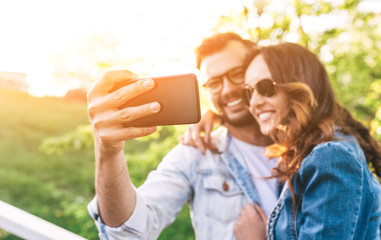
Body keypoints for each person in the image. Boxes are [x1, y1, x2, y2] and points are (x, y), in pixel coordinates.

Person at [86, 32, 280, 240]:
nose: (228, 89)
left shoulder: (308, 144)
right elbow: (128, 233)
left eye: (238, 74)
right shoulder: (197, 153)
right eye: (214, 82)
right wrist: (108, 152)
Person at [232, 42, 381, 239]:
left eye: (266, 87)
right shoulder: (306, 156)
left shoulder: (330, 158)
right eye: (248, 92)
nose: (254, 102)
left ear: (299, 84)